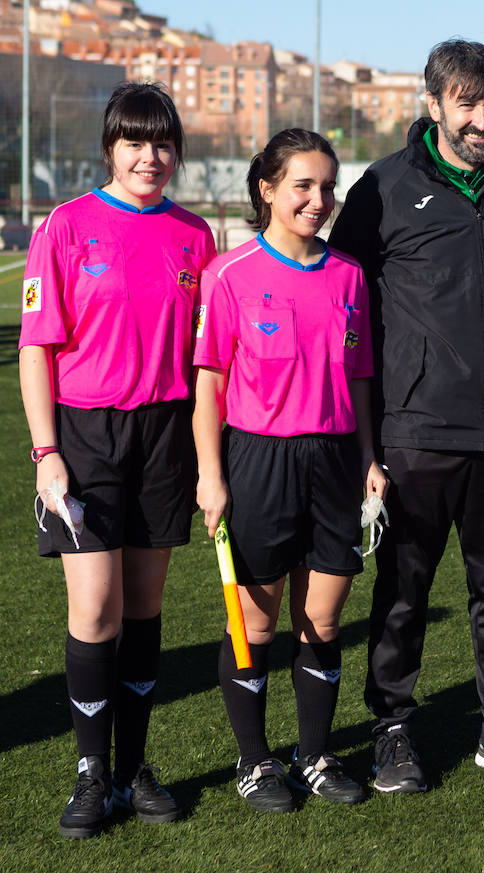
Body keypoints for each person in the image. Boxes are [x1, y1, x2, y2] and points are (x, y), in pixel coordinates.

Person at [328, 38, 484, 792]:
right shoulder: (384, 187)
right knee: (403, 591)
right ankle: (392, 729)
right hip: (416, 431)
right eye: (467, 103)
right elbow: (346, 304)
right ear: (433, 106)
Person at [18, 82, 216, 838]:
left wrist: (205, 458)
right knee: (94, 607)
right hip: (86, 436)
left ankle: (133, 766)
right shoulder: (66, 227)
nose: (150, 157)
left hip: (163, 435)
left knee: (142, 609)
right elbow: (37, 349)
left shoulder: (195, 236)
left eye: (163, 144)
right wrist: (46, 452)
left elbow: (205, 364)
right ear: (111, 147)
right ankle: (90, 771)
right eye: (135, 142)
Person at [192, 128, 386, 812]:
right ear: (267, 189)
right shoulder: (229, 274)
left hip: (334, 458)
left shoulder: (350, 275)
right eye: (303, 185)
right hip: (259, 457)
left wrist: (368, 457)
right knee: (257, 619)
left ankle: (315, 753)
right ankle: (255, 760)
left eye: (327, 186)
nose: (319, 199)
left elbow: (360, 378)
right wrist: (210, 475)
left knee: (324, 619)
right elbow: (209, 386)